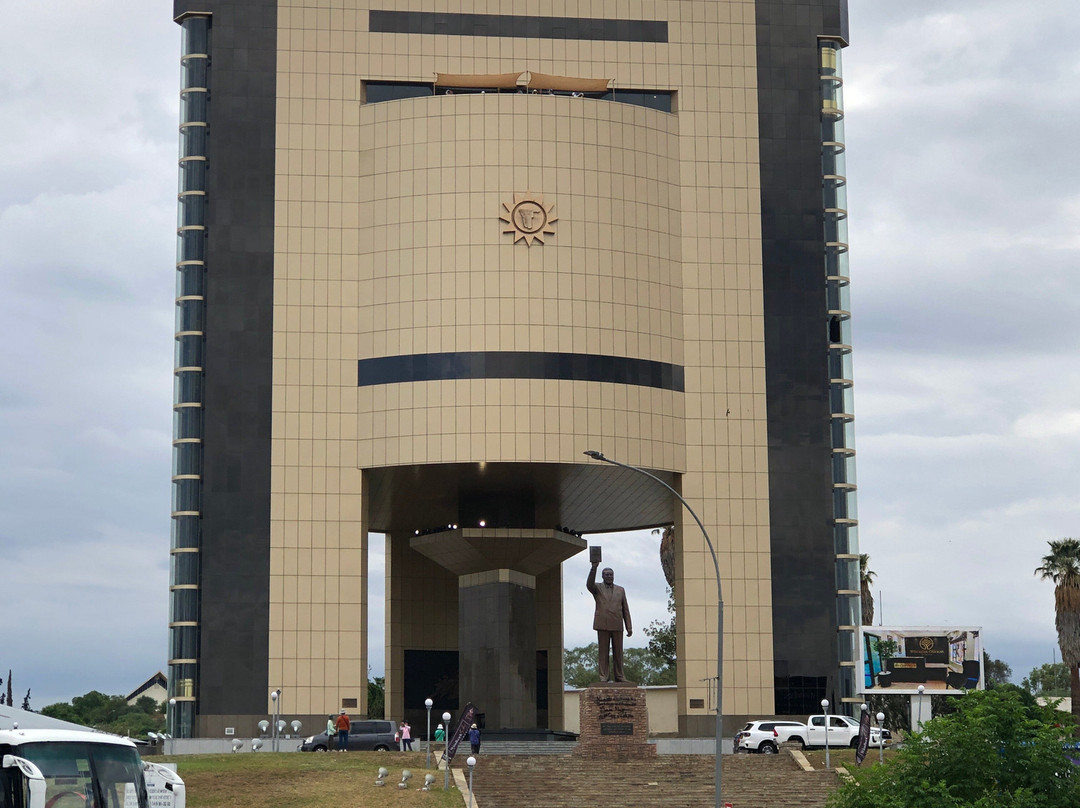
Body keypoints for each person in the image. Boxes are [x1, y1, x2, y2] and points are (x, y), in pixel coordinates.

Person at [587, 560, 633, 682]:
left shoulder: (621, 590)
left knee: (618, 653)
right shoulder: (597, 587)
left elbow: (625, 609)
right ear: (602, 576)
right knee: (603, 653)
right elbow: (589, 584)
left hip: (617, 624)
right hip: (602, 624)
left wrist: (629, 626)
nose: (609, 576)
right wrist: (594, 567)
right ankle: (603, 676)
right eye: (606, 575)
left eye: (611, 574)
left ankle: (620, 676)